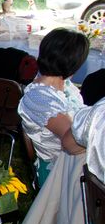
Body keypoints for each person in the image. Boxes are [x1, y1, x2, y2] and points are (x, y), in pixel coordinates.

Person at [18, 28, 89, 186]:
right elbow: (75, 141)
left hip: (75, 164)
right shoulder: (39, 99)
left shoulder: (65, 86)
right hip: (60, 173)